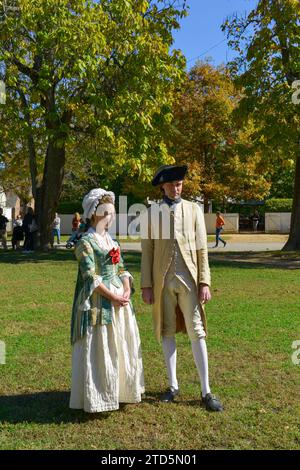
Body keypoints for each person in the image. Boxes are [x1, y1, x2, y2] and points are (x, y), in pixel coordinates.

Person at [141, 164, 223, 412]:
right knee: (166, 330)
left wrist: (205, 281)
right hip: (162, 281)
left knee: (197, 330)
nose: (177, 189)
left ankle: (206, 390)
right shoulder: (152, 213)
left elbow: (202, 249)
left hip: (189, 279)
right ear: (163, 186)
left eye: (180, 185)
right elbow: (148, 250)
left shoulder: (194, 209)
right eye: (172, 185)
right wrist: (146, 284)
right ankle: (173, 385)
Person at [70, 188, 144, 413]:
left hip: (119, 297)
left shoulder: (111, 241)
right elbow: (90, 276)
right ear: (94, 214)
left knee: (120, 344)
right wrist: (112, 296)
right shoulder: (85, 243)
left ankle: (120, 390)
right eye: (106, 213)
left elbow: (120, 266)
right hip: (97, 300)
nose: (110, 218)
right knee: (101, 345)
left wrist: (127, 287)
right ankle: (100, 394)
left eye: (112, 213)